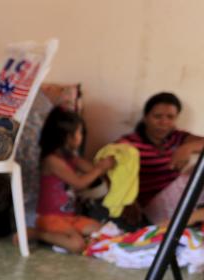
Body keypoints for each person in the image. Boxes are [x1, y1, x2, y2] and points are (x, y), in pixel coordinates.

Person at [36, 108, 115, 253]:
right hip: (50, 218)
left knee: (105, 232)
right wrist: (99, 168)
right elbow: (79, 183)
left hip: (70, 217)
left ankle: (68, 237)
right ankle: (36, 233)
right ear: (67, 136)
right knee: (76, 245)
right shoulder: (52, 160)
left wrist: (104, 165)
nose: (81, 137)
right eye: (79, 132)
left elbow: (92, 170)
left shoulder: (71, 158)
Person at [119, 92, 204, 226]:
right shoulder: (129, 144)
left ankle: (194, 217)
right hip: (153, 208)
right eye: (157, 116)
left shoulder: (177, 137)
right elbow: (107, 171)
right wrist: (126, 199)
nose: (164, 122)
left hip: (178, 200)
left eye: (170, 117)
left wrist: (188, 147)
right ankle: (193, 217)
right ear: (146, 117)